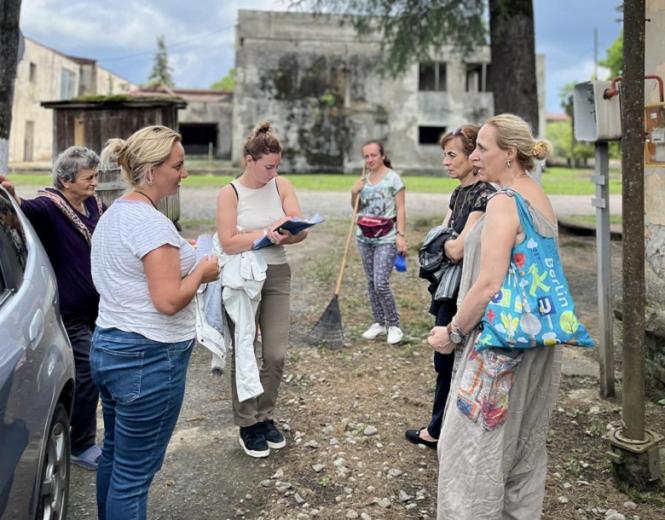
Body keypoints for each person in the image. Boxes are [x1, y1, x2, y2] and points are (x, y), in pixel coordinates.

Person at [427, 114, 557, 519]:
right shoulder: (536, 193)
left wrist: (451, 331)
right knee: (522, 450)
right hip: (538, 341)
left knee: (470, 452)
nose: (475, 155)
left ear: (510, 154)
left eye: (483, 147)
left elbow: (487, 285)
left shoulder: (504, 202)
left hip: (498, 349)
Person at [89, 126, 219, 520]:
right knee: (133, 477)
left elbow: (138, 268)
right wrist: (201, 272)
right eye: (177, 165)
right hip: (148, 358)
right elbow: (167, 301)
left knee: (114, 455)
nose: (184, 173)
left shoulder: (115, 213)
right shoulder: (152, 224)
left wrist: (184, 251)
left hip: (109, 347)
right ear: (150, 171)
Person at [2, 146, 104, 470]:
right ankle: (81, 444)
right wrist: (10, 195)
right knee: (88, 370)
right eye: (89, 178)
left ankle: (85, 435)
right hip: (69, 314)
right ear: (65, 179)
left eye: (95, 176)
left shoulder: (90, 204)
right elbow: (18, 212)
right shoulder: (47, 207)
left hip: (95, 311)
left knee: (96, 369)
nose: (94, 184)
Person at [216, 121, 308, 458]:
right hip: (242, 275)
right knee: (244, 349)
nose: (273, 172)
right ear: (248, 160)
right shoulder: (231, 193)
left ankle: (265, 414)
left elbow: (299, 229)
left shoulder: (282, 185)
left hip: (277, 272)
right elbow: (227, 242)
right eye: (268, 166)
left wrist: (291, 232)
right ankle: (247, 422)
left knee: (275, 353)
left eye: (277, 166)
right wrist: (262, 235)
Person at [405, 125, 495, 449]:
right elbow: (443, 236)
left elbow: (455, 248)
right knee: (443, 359)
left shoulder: (484, 195)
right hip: (451, 285)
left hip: (467, 289)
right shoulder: (459, 194)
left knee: (453, 357)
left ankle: (440, 430)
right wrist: (444, 241)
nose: (445, 161)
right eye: (445, 154)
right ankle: (442, 427)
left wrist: (444, 242)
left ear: (473, 156)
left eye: (451, 154)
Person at [351, 141, 406, 345]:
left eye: (374, 155)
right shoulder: (363, 180)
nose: (370, 160)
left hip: (386, 236)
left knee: (381, 282)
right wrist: (354, 192)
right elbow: (356, 210)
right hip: (364, 237)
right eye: (366, 156)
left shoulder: (394, 179)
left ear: (382, 156)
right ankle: (379, 323)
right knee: (371, 281)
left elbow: (400, 209)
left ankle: (394, 325)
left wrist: (401, 235)